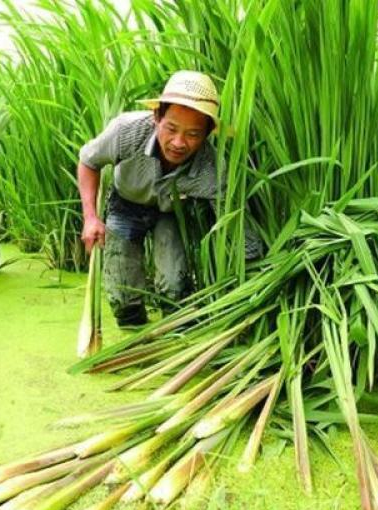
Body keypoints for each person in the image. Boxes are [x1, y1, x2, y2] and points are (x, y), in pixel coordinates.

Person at [77, 70, 261, 327]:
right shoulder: (126, 131)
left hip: (172, 211)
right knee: (123, 293)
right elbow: (88, 161)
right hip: (126, 204)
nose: (179, 142)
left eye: (193, 134)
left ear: (207, 134)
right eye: (171, 128)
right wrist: (91, 217)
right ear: (156, 117)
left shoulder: (211, 170)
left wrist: (258, 276)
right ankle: (134, 337)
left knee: (175, 285)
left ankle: (176, 337)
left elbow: (236, 227)